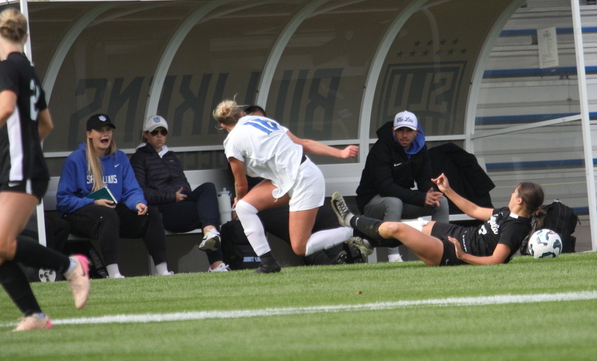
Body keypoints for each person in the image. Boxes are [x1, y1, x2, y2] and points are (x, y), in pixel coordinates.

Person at [0, 9, 90, 332]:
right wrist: (26, 147)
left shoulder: (8, 68)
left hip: (20, 170)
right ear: (26, 37)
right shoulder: (29, 71)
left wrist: (22, 151)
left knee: (0, 244)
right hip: (18, 167)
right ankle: (34, 316)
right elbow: (46, 123)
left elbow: (5, 108)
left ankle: (70, 265)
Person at [212, 99, 359, 273]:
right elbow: (303, 143)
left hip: (303, 179)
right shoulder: (264, 121)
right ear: (242, 114)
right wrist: (340, 153)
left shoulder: (232, 141)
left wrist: (239, 199)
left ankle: (354, 232)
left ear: (222, 125)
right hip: (289, 178)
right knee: (245, 207)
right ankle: (268, 263)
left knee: (300, 247)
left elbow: (240, 183)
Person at [331, 174, 545, 266]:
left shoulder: (516, 227)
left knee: (398, 229)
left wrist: (464, 256)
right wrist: (447, 190)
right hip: (456, 234)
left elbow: (496, 260)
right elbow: (474, 210)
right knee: (415, 226)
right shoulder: (509, 214)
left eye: (513, 192)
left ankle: (350, 219)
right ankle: (369, 242)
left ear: (518, 199)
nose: (510, 195)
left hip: (452, 250)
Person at [57, 113, 174, 279]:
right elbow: (63, 201)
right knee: (108, 214)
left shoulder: (120, 158)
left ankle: (163, 271)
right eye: (100, 131)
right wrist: (93, 201)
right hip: (79, 214)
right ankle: (114, 273)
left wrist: (138, 203)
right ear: (89, 134)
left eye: (108, 130)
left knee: (151, 214)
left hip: (111, 211)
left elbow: (131, 190)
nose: (105, 134)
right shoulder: (75, 160)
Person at [130, 115, 229, 272]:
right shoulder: (139, 158)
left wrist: (182, 192)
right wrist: (172, 196)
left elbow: (183, 183)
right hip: (163, 209)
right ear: (146, 134)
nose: (160, 136)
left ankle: (209, 231)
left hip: (182, 202)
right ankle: (216, 262)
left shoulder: (171, 156)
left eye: (163, 132)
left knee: (208, 188)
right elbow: (141, 192)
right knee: (208, 212)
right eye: (155, 132)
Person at [354, 110, 449, 262]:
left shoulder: (420, 147)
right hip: (373, 204)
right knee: (393, 201)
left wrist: (430, 192)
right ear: (393, 131)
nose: (405, 135)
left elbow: (424, 179)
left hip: (402, 200)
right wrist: (420, 197)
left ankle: (443, 250)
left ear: (416, 132)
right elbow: (385, 187)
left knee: (440, 201)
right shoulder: (381, 148)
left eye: (409, 131)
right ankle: (394, 256)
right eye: (400, 130)